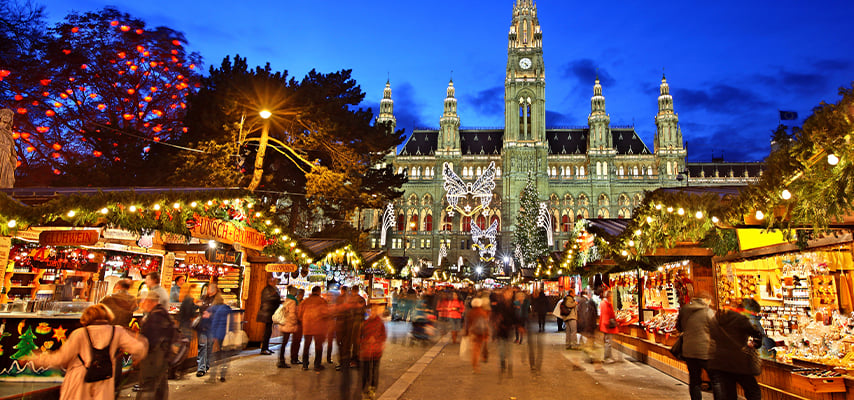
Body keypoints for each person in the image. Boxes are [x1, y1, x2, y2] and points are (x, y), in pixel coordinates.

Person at [27, 304, 147, 400]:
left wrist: (34, 359)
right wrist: (130, 356)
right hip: (104, 380)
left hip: (80, 382)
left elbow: (60, 358)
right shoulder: (117, 331)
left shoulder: (80, 334)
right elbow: (139, 348)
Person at [709, 299, 764, 400]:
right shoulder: (740, 319)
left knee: (729, 392)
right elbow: (756, 335)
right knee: (753, 389)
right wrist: (754, 344)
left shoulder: (715, 319)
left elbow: (711, 335)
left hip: (719, 361)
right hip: (738, 360)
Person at [99, 278, 138, 389]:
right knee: (118, 357)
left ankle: (105, 380)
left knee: (107, 356)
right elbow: (135, 309)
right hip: (123, 331)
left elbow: (98, 308)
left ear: (118, 286)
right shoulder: (132, 299)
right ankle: (116, 383)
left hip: (108, 330)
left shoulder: (109, 298)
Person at [676, 291, 715, 400]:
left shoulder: (684, 310)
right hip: (706, 350)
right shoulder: (708, 312)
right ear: (706, 300)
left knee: (694, 380)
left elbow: (679, 327)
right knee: (716, 380)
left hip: (689, 350)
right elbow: (716, 329)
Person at [137, 292, 174, 399]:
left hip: (153, 359)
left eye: (143, 301)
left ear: (149, 302)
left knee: (148, 386)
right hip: (163, 357)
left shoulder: (155, 318)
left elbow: (150, 341)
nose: (142, 304)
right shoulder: (163, 313)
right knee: (160, 386)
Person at [195, 281, 224, 377]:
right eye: (209, 288)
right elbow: (199, 308)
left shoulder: (219, 300)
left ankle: (206, 365)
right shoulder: (204, 298)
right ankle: (201, 368)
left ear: (216, 290)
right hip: (203, 325)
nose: (209, 290)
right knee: (202, 345)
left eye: (211, 288)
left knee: (209, 346)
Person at [359, 302, 387, 400]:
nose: (373, 312)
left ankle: (372, 388)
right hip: (366, 352)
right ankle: (364, 387)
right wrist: (365, 342)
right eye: (372, 310)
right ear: (368, 311)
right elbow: (359, 337)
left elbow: (383, 336)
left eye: (375, 310)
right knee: (366, 371)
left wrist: (379, 343)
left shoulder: (380, 323)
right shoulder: (365, 324)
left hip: (376, 351)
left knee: (374, 371)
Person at [298, 286, 329, 371]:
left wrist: (304, 321)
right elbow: (326, 314)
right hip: (318, 327)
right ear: (319, 292)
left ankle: (305, 365)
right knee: (318, 346)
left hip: (307, 327)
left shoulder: (305, 301)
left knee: (306, 346)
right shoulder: (322, 301)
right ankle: (317, 365)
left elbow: (299, 314)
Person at [206, 301, 233, 383]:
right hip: (227, 335)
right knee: (225, 355)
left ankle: (212, 376)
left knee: (215, 356)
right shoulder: (229, 310)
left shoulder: (218, 310)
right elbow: (231, 323)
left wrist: (213, 335)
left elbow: (215, 323)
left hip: (219, 335)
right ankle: (222, 375)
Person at [257, 274, 282, 355]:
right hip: (267, 312)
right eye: (273, 281)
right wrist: (278, 299)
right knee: (267, 331)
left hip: (270, 312)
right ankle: (264, 349)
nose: (275, 282)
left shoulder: (272, 289)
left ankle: (266, 347)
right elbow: (269, 299)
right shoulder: (267, 289)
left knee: (269, 331)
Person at [276, 286, 300, 368]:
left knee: (284, 342)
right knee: (285, 342)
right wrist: (295, 322)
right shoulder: (293, 302)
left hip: (284, 324)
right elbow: (292, 315)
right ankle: (281, 361)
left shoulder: (287, 300)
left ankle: (281, 360)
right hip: (288, 324)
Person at [464, 298, 490, 373]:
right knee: (478, 348)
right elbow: (485, 324)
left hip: (473, 333)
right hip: (481, 333)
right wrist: (487, 333)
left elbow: (467, 324)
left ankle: (475, 366)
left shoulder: (470, 313)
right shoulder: (483, 313)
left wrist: (466, 332)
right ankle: (478, 362)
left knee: (474, 350)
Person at [598, 289, 620, 364]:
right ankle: (607, 357)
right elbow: (607, 315)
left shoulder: (604, 303)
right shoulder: (606, 304)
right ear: (609, 296)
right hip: (607, 326)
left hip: (605, 325)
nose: (612, 297)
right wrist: (609, 323)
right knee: (608, 342)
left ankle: (609, 356)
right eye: (611, 296)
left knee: (607, 342)